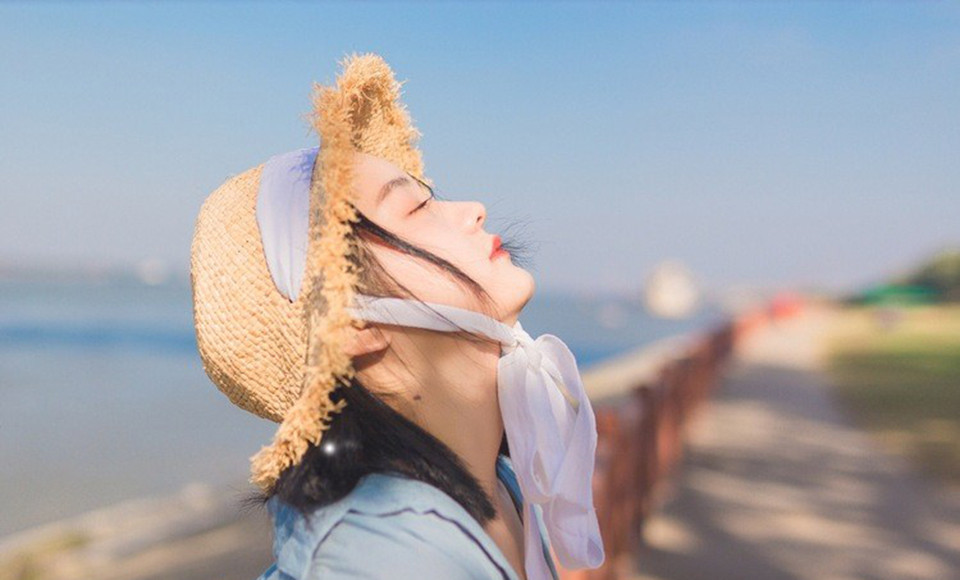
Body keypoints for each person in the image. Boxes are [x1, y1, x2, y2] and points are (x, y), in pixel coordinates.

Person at [189, 53, 603, 580]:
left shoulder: (499, 484)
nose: (472, 208)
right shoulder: (377, 559)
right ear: (351, 324)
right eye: (414, 209)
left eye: (430, 198)